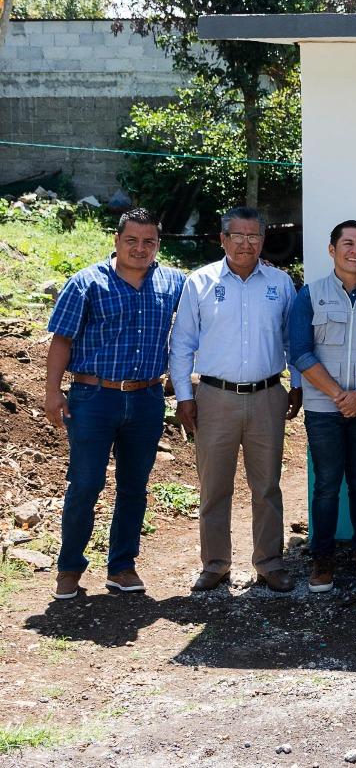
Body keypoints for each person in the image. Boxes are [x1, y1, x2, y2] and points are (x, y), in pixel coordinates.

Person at [44, 208, 185, 600]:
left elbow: (198, 322)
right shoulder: (86, 283)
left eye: (149, 242)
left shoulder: (173, 282)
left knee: (134, 488)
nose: (140, 249)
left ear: (159, 244)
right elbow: (62, 340)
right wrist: (52, 391)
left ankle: (122, 567)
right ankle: (69, 568)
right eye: (132, 241)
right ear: (116, 240)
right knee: (85, 484)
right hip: (93, 397)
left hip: (147, 398)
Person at [171, 207, 303, 593]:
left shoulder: (280, 284)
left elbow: (292, 341)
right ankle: (215, 564)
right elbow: (181, 344)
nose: (246, 244)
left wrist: (295, 384)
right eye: (238, 236)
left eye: (254, 237)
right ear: (223, 239)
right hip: (215, 397)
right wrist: (183, 395)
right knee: (214, 486)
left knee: (267, 486)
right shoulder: (200, 282)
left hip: (267, 396)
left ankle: (269, 562)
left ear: (263, 241)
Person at [288, 220, 356, 593]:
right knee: (326, 485)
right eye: (347, 243)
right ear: (332, 249)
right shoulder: (310, 295)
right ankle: (322, 559)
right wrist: (340, 395)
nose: (355, 250)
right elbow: (300, 352)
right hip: (324, 409)